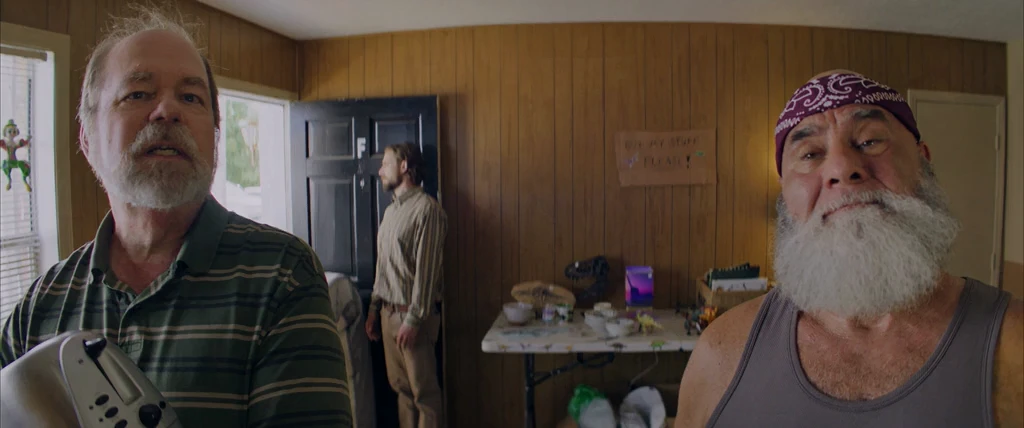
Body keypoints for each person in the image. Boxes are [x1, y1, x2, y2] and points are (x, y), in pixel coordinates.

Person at [0, 6, 353, 427]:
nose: (167, 110)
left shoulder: (283, 277)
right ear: (87, 139)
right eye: (138, 94)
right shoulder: (39, 308)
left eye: (191, 98)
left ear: (214, 139)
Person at [675, 70, 1023, 427]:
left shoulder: (1015, 343)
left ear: (923, 161)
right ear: (785, 195)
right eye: (810, 154)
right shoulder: (721, 352)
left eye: (870, 141)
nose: (841, 168)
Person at [364, 142, 447, 428]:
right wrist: (374, 309)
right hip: (388, 316)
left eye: (385, 164)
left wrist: (413, 320)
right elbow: (383, 266)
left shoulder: (427, 210)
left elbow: (427, 273)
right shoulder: (390, 213)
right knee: (402, 393)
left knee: (425, 396)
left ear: (404, 166)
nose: (380, 171)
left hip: (413, 320)